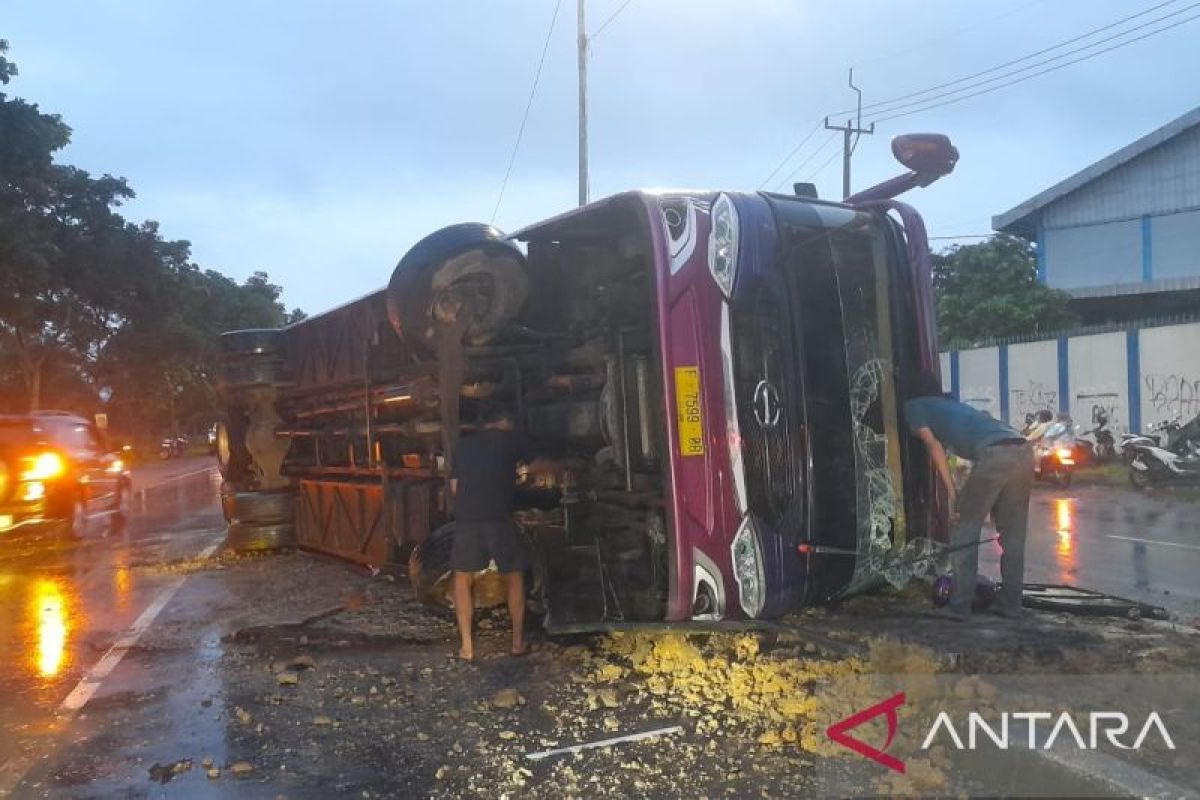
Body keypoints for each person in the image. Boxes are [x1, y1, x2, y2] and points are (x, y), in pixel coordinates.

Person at [905, 373, 1034, 621]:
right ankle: (1011, 606)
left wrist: (952, 492)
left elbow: (934, 447)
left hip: (995, 455)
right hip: (1024, 451)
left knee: (963, 529)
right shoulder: (952, 405)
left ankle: (960, 605)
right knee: (1013, 535)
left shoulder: (915, 406)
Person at [448, 403, 535, 661]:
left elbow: (455, 487)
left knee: (462, 579)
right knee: (513, 576)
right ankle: (517, 643)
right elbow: (536, 465)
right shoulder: (508, 440)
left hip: (467, 521)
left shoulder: (462, 447)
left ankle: (467, 647)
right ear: (503, 421)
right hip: (499, 519)